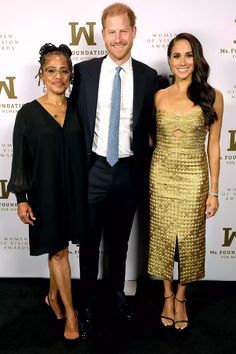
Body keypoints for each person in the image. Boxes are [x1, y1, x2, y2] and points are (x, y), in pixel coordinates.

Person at [70, 2, 158, 325]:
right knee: (89, 242)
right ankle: (88, 301)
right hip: (93, 170)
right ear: (103, 34)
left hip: (127, 171)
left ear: (134, 32)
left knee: (120, 242)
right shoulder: (83, 72)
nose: (118, 38)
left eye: (124, 31)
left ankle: (118, 295)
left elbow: (153, 124)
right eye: (112, 31)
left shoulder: (149, 77)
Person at [7, 43, 87, 340]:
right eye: (51, 70)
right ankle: (72, 316)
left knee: (60, 247)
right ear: (41, 74)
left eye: (64, 71)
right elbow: (20, 160)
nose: (58, 76)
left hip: (75, 191)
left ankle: (52, 296)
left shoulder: (79, 111)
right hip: (45, 194)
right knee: (59, 251)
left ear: (70, 76)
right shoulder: (27, 113)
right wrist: (21, 199)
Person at [148, 33, 223, 330]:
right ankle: (166, 294)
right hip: (161, 174)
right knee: (164, 237)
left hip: (194, 176)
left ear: (197, 59)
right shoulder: (158, 96)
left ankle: (181, 297)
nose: (183, 61)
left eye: (188, 55)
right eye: (177, 55)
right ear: (169, 60)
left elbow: (214, 146)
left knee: (190, 240)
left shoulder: (213, 96)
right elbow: (151, 139)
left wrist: (214, 191)